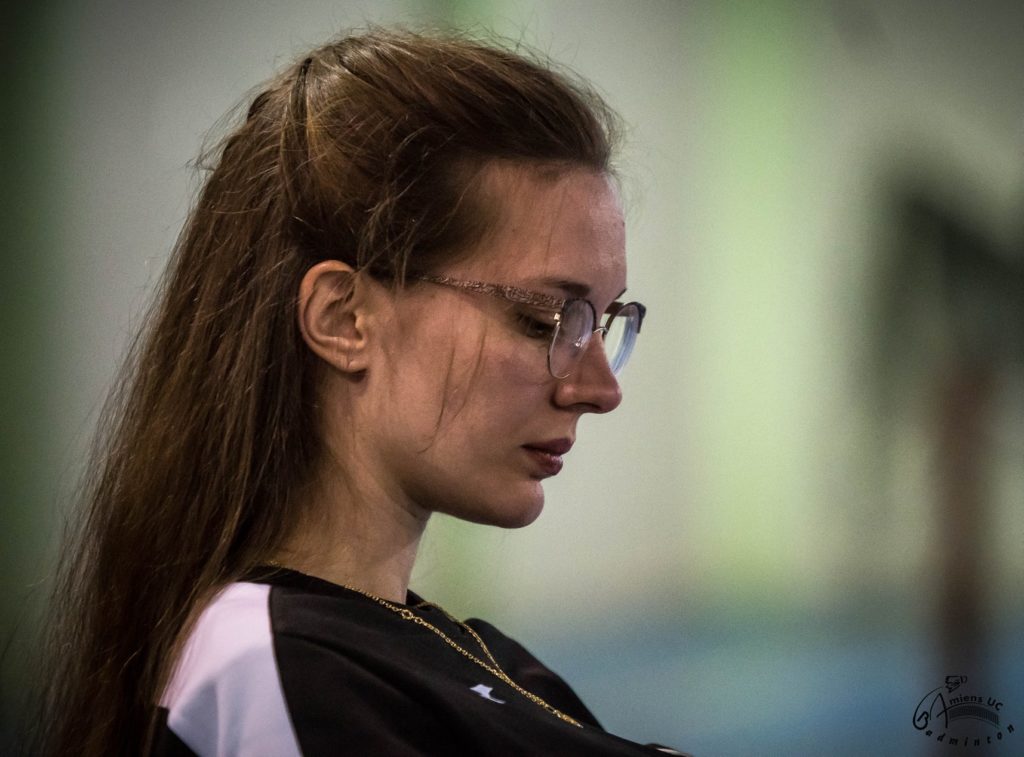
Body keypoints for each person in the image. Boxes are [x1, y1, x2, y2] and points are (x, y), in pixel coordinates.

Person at [37, 28, 685, 757]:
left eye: (602, 322)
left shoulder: (468, 654)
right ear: (344, 319)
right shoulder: (280, 674)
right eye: (546, 320)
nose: (599, 389)